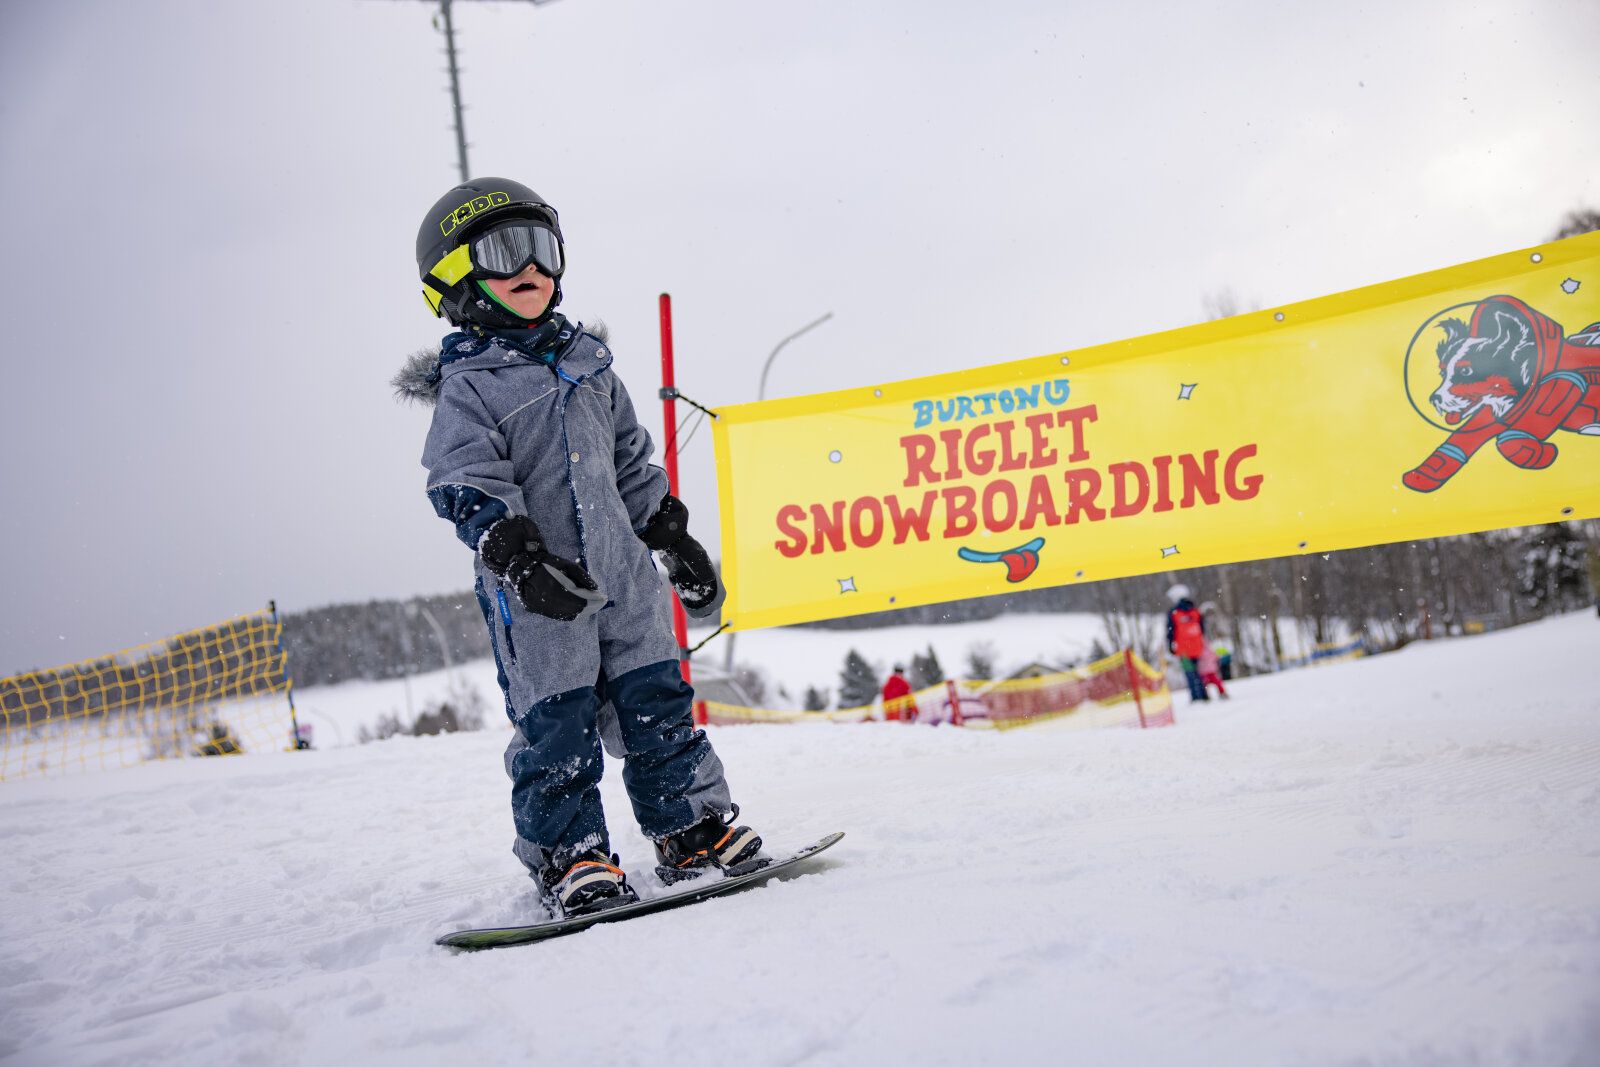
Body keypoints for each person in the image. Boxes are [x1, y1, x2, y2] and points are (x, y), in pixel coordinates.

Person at [393, 178, 761, 916]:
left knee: (658, 704)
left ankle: (689, 829)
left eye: (543, 248)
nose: (531, 266)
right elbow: (465, 480)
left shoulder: (592, 367)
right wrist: (519, 559)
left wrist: (672, 534)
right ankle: (573, 855)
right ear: (455, 277)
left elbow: (630, 460)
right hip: (539, 596)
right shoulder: (469, 389)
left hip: (624, 580)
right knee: (556, 727)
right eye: (504, 251)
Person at [1166, 585, 1209, 703]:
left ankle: (1196, 697)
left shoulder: (1174, 613)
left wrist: (1170, 645)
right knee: (1199, 672)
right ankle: (1204, 694)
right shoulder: (1195, 611)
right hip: (1197, 647)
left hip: (1184, 649)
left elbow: (1170, 631)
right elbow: (1203, 629)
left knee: (1189, 673)